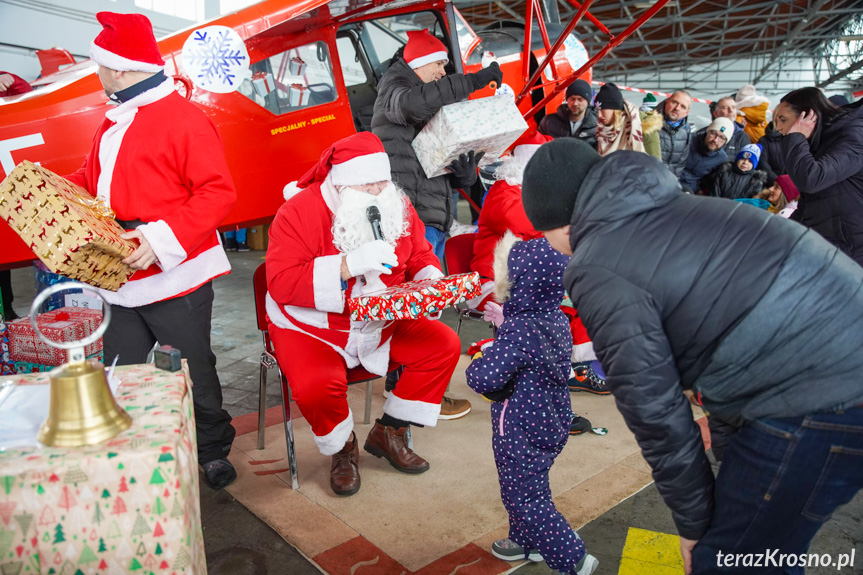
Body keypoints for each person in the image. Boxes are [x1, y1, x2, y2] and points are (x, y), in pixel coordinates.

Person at [521, 137, 863, 575]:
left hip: (817, 394)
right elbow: (718, 346)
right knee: (766, 549)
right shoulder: (684, 209)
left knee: (730, 561)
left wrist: (696, 527)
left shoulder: (596, 262)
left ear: (562, 224)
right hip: (825, 365)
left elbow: (655, 410)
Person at [65, 12, 238, 489]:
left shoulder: (185, 118)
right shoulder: (111, 123)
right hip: (118, 274)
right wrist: (49, 189)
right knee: (122, 371)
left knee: (192, 367)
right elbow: (90, 181)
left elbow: (217, 192)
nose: (95, 71)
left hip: (173, 272)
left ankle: (210, 449)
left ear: (118, 68)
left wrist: (159, 240)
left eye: (97, 63)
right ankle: (143, 448)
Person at [266, 132, 463, 495]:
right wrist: (346, 265)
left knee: (444, 345)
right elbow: (280, 282)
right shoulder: (298, 212)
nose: (376, 189)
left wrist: (429, 278)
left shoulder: (396, 204)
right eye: (366, 181)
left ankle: (389, 430)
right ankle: (343, 448)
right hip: (312, 325)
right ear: (340, 182)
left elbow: (419, 252)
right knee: (315, 385)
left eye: (382, 180)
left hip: (380, 319)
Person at [466, 233, 599, 575]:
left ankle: (574, 560)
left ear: (519, 283)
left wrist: (484, 355)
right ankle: (525, 543)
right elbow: (531, 351)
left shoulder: (521, 329)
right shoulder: (553, 317)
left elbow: (484, 379)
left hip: (521, 428)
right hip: (550, 418)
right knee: (524, 486)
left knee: (526, 497)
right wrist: (505, 324)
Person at [371, 29, 503, 262]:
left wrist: (464, 175)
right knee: (418, 292)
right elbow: (410, 106)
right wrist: (474, 80)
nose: (443, 72)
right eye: (439, 64)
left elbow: (432, 168)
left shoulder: (427, 101)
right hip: (414, 220)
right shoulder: (395, 86)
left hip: (435, 220)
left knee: (430, 293)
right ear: (421, 62)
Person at [773, 86, 863, 266]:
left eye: (782, 120)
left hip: (851, 247)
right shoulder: (820, 141)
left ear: (807, 117)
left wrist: (796, 137)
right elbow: (814, 202)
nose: (778, 128)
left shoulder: (852, 136)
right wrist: (781, 232)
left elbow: (811, 180)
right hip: (834, 242)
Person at [538, 79, 598, 149]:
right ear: (567, 100)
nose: (575, 103)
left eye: (580, 99)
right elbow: (537, 148)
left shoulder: (596, 126)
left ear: (588, 102)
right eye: (572, 99)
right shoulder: (548, 122)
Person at [679, 117, 732, 193]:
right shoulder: (689, 139)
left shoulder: (721, 158)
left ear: (725, 142)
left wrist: (700, 190)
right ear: (708, 131)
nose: (715, 140)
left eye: (721, 137)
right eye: (713, 134)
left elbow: (709, 181)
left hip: (690, 190)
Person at [593, 83, 645, 156]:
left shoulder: (641, 130)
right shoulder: (599, 132)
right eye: (597, 110)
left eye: (603, 110)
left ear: (615, 110)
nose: (599, 115)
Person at [703, 143, 768, 200]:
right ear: (737, 159)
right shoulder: (724, 171)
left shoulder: (756, 181)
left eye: (750, 161)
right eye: (742, 159)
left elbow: (752, 201)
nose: (745, 162)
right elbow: (714, 191)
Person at [658, 90, 692, 178]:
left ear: (686, 113)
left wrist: (674, 183)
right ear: (667, 102)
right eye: (674, 102)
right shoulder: (649, 122)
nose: (677, 108)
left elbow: (680, 164)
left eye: (683, 107)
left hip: (668, 184)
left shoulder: (686, 130)